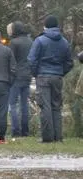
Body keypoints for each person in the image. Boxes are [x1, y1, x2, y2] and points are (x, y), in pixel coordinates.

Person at [28, 15, 73, 143]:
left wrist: (36, 73)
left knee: (45, 106)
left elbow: (31, 60)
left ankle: (47, 137)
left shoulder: (40, 40)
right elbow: (69, 62)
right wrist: (61, 72)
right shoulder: (64, 41)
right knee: (56, 107)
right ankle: (58, 137)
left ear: (45, 26)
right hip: (57, 77)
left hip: (43, 76)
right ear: (57, 26)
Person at [6, 21, 33, 137]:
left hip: (16, 77)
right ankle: (25, 131)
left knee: (13, 104)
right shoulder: (30, 41)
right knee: (24, 104)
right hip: (27, 76)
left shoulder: (14, 42)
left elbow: (10, 61)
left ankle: (15, 131)